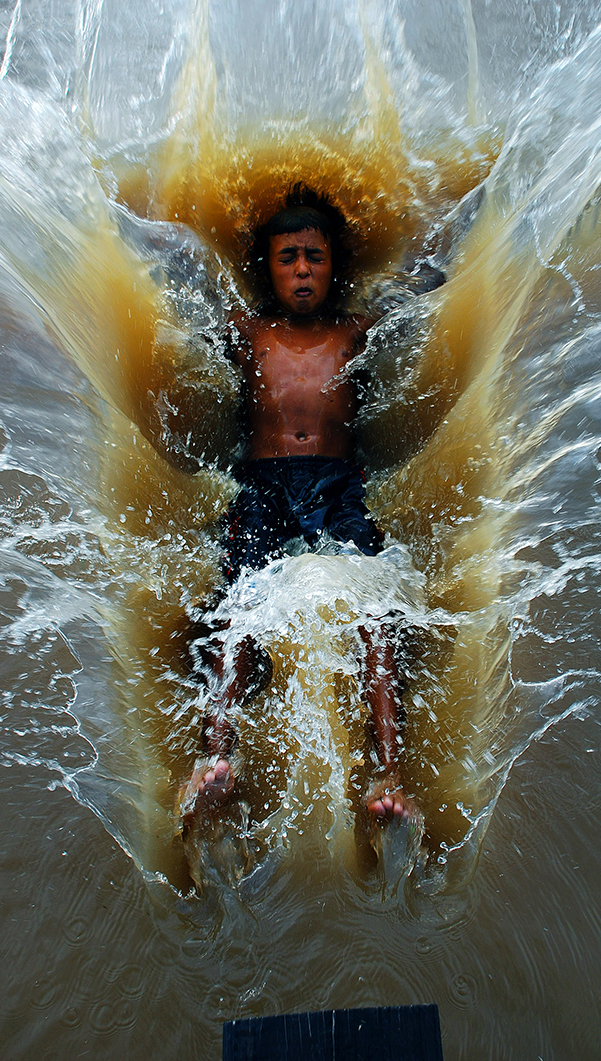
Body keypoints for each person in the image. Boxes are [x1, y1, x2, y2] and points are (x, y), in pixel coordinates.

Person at [180, 185, 422, 840]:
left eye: (314, 256)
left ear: (333, 264)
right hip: (262, 486)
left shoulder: (355, 332)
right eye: (288, 257)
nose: (303, 269)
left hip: (341, 485)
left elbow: (426, 285)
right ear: (269, 266)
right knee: (238, 616)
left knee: (377, 617)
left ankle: (388, 772)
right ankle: (216, 759)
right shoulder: (246, 332)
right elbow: (180, 290)